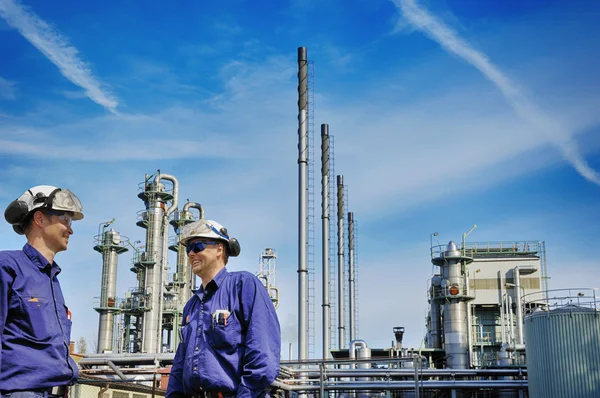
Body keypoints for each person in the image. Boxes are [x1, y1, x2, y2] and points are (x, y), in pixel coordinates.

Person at [167, 219, 281, 398]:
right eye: (188, 248)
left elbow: (262, 355)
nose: (191, 254)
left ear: (219, 249)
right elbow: (180, 365)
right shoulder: (191, 306)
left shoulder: (243, 286)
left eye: (197, 246)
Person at [0, 185, 84, 396]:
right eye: (65, 220)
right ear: (40, 219)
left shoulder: (51, 280)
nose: (70, 229)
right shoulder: (7, 266)